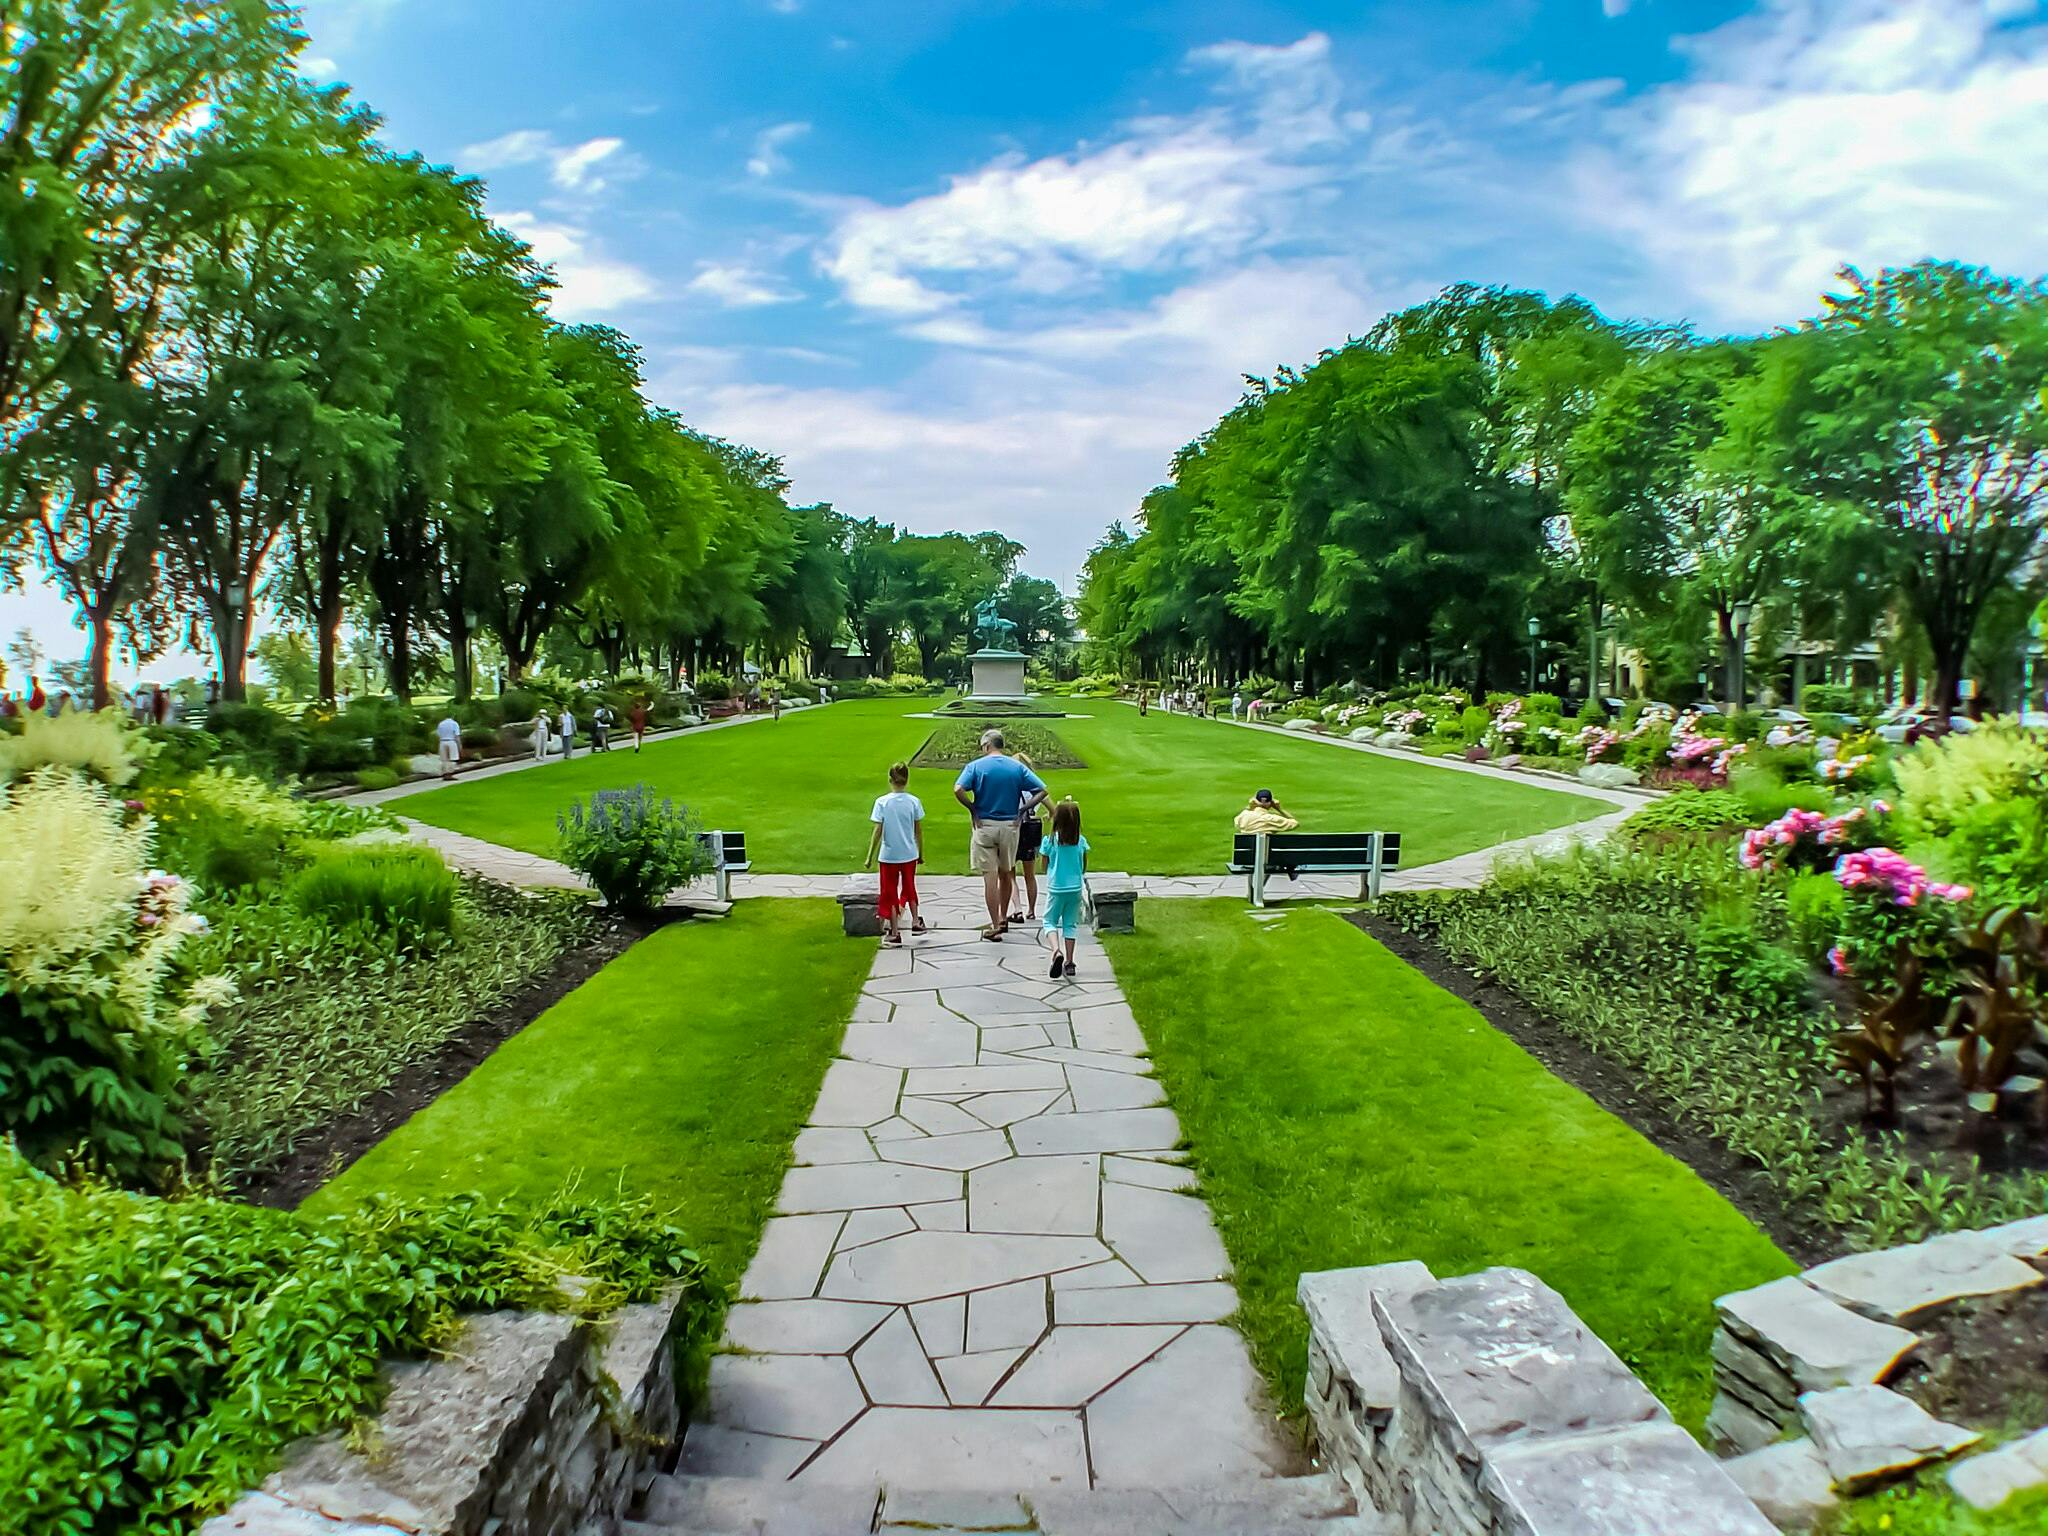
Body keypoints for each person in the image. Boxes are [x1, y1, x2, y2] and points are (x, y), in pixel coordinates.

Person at [953, 728, 1048, 940]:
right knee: (1007, 872)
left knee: (990, 878)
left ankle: (995, 923)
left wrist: (972, 808)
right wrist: (1022, 810)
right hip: (1010, 826)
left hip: (984, 825)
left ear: (987, 746)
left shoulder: (976, 766)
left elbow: (958, 789)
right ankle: (1004, 916)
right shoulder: (1016, 767)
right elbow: (1042, 791)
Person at [865, 760, 928, 946]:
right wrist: (920, 852)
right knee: (909, 886)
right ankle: (916, 920)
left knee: (889, 891)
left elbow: (878, 831)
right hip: (909, 853)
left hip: (889, 854)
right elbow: (918, 831)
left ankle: (894, 931)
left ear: (890, 780)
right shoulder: (914, 802)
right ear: (907, 780)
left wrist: (869, 855)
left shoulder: (882, 802)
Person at [1041, 798, 1089, 980]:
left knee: (1049, 921)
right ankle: (1069, 962)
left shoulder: (1050, 840)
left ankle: (1055, 952)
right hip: (1075, 888)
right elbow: (1083, 865)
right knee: (1070, 924)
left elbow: (1044, 865)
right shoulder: (1081, 841)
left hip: (1056, 888)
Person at [1011, 752, 1045, 925]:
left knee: (1009, 874)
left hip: (1014, 829)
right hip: (1030, 831)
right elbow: (1050, 804)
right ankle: (1031, 910)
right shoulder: (1034, 788)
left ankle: (1017, 908)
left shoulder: (1011, 785)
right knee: (1029, 875)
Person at [1234, 788, 1299, 834]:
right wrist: (1279, 809)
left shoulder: (1243, 816)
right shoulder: (1272, 819)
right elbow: (1295, 823)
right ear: (1271, 803)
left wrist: (1250, 807)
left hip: (1246, 853)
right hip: (1267, 853)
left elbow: (1236, 822)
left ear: (1255, 801)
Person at [435, 713, 462, 780]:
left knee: (444, 759)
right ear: (453, 716)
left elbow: (438, 735)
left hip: (443, 741)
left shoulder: (441, 724)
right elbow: (457, 735)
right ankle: (450, 773)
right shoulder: (454, 723)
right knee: (452, 758)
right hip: (451, 741)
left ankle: (445, 773)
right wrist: (459, 745)